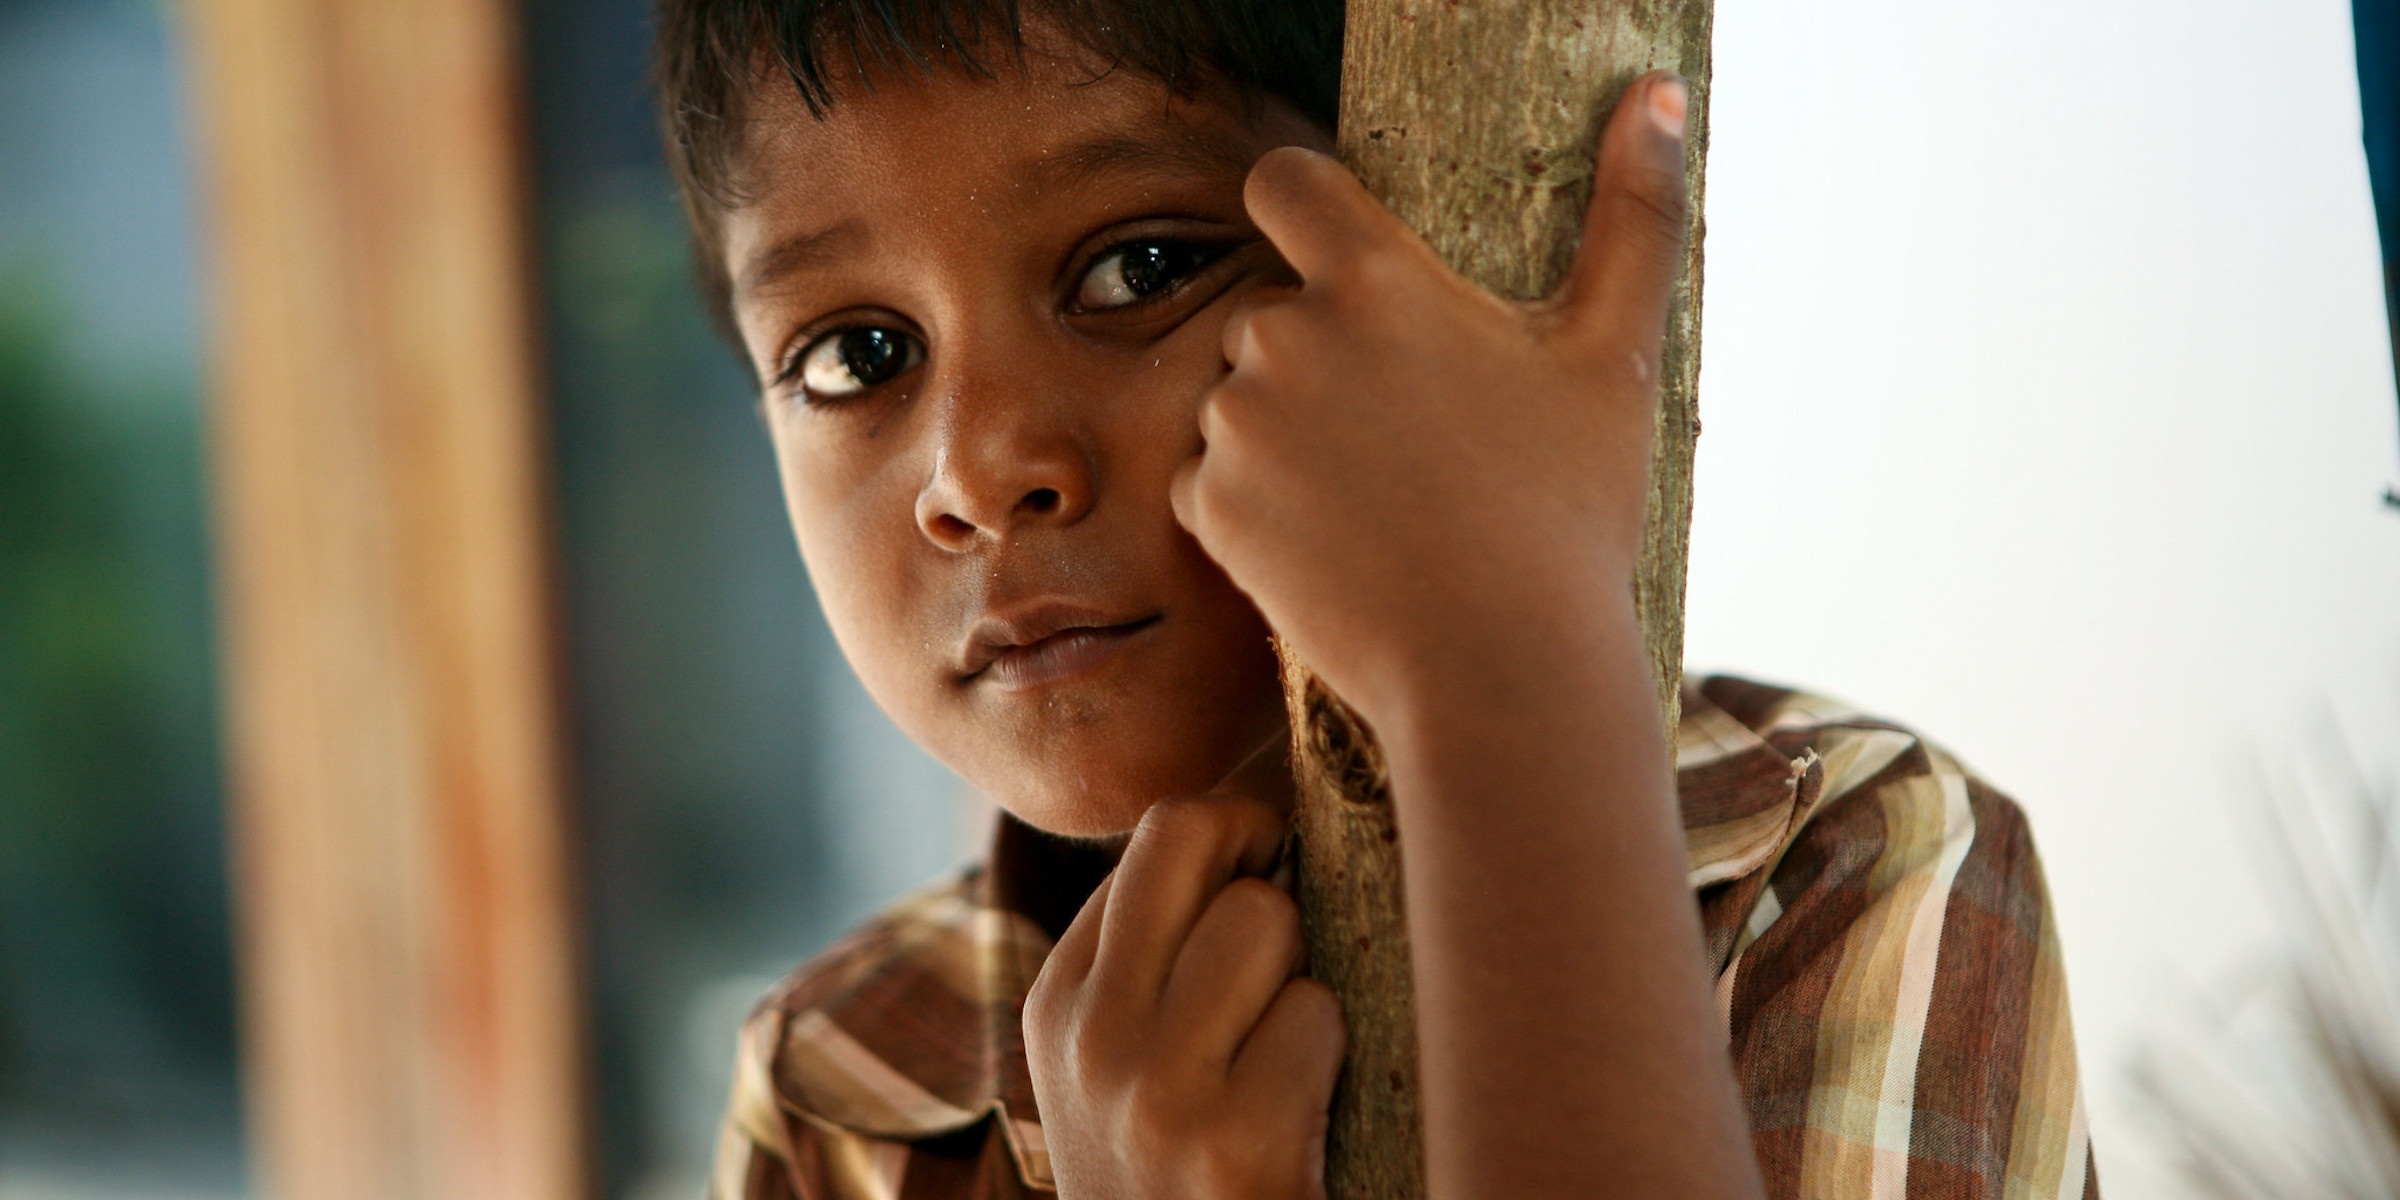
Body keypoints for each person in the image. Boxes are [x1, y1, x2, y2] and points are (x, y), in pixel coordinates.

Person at [653, 2, 2098, 1197]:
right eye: (855, 356)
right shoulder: (838, 1088)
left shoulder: (1838, 869)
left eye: (1141, 270)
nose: (977, 471)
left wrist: (1499, 664)